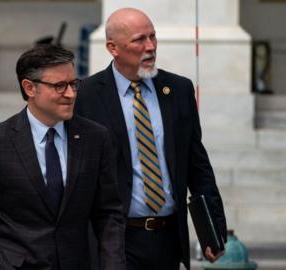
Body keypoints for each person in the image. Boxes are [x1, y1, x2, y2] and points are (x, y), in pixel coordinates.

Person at [75, 8, 227, 270]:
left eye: (153, 37)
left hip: (168, 238)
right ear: (113, 47)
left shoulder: (178, 89)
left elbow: (197, 164)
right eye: (139, 40)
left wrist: (213, 230)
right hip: (115, 240)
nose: (150, 47)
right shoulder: (86, 95)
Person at [0, 45, 126, 270]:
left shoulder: (95, 138)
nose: (71, 94)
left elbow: (109, 214)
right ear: (29, 88)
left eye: (73, 84)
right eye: (59, 86)